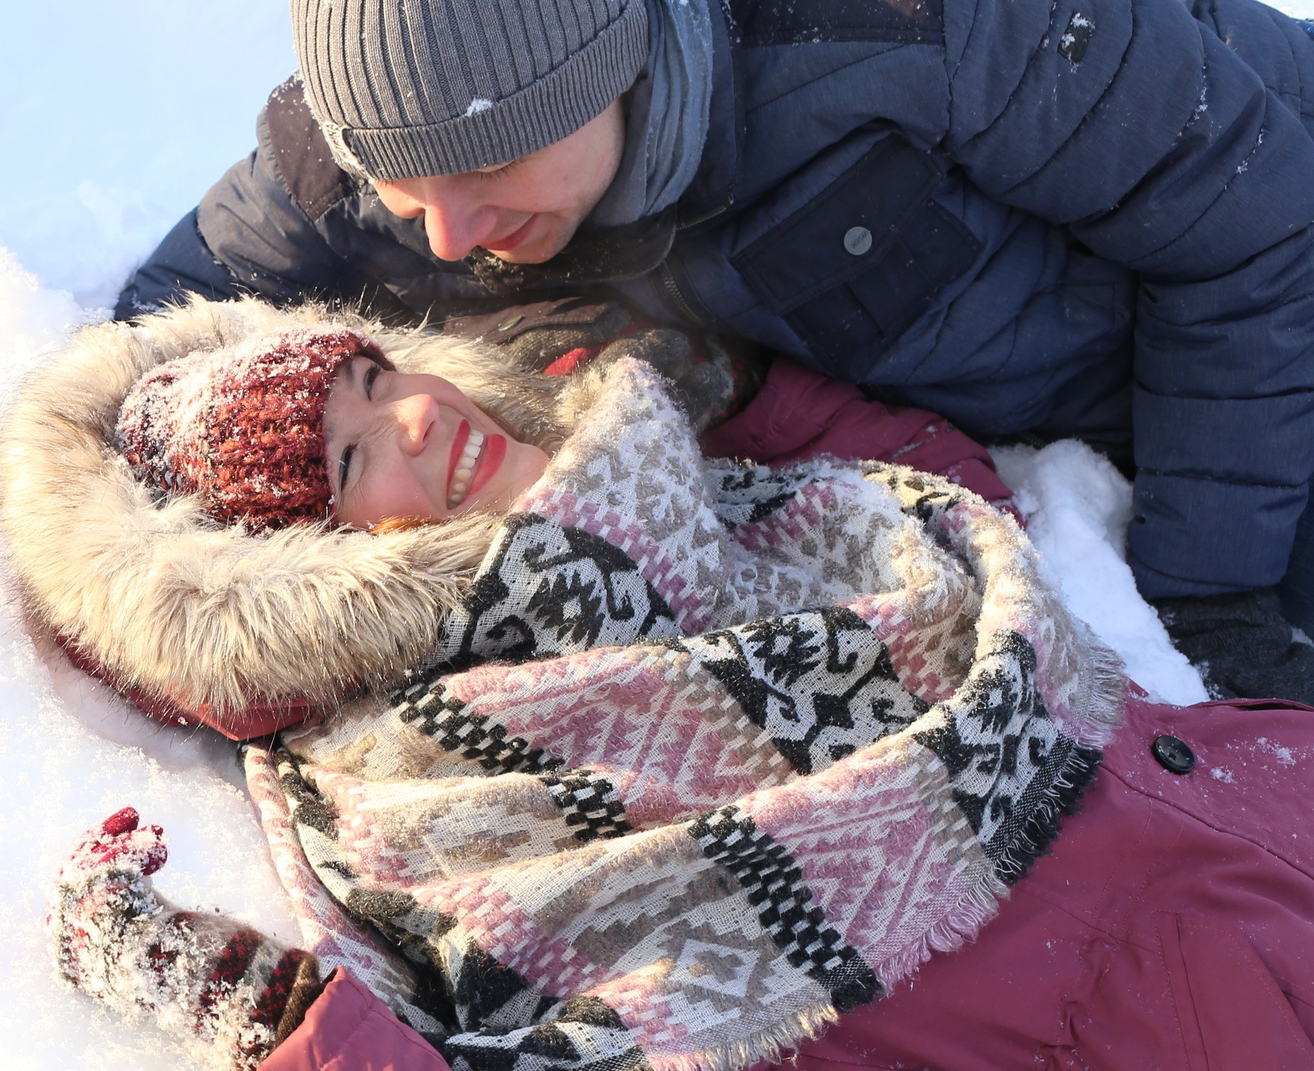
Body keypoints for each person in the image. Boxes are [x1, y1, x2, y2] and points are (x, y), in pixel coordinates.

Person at [0, 299, 1314, 1071]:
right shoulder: (505, 817)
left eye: (377, 376)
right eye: (348, 458)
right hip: (1254, 1051)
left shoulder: (685, 503)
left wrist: (745, 385)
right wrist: (276, 1030)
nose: (415, 418)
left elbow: (951, 489)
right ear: (307, 583)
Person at [115, 0, 1314, 702]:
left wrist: (1209, 590)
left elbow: (1257, 228)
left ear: (611, 69)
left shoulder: (908, 28)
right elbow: (156, 339)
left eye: (489, 168)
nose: (447, 233)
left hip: (1256, 347)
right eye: (398, 182)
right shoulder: (375, 131)